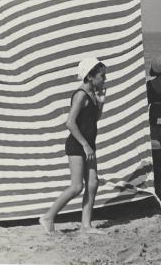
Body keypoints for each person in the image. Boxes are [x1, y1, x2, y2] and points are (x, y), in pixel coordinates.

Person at [39, 58, 107, 234]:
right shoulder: (81, 94)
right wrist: (85, 145)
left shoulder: (92, 94)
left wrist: (101, 102)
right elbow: (69, 123)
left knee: (93, 183)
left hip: (88, 145)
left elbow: (94, 119)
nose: (104, 79)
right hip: (78, 145)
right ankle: (48, 216)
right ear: (90, 77)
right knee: (77, 186)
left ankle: (86, 225)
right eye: (102, 76)